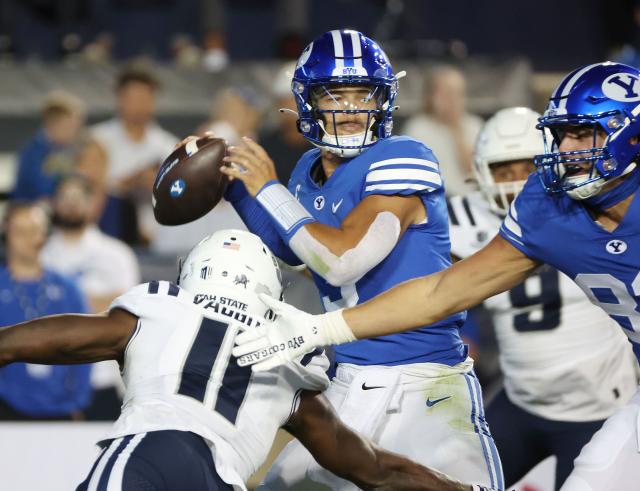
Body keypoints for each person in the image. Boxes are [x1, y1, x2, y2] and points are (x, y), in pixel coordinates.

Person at [233, 61, 640, 490]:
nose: (568, 150)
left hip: (565, 393)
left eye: (583, 134)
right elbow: (443, 291)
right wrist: (320, 328)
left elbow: (344, 257)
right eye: (562, 134)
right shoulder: (548, 204)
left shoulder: (402, 159)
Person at [211, 29, 501, 490]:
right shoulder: (308, 170)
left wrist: (269, 190)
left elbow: (341, 260)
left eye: (362, 95)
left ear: (383, 100)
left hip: (421, 380)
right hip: (347, 379)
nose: (349, 109)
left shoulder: (404, 156)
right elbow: (299, 251)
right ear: (308, 102)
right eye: (335, 96)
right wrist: (235, 190)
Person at [0, 229, 485, 491]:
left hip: (149, 452)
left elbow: (37, 343)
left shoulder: (159, 308)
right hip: (223, 479)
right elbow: (374, 468)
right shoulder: (291, 358)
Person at [448, 107, 638, 489]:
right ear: (482, 172)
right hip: (521, 398)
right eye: (504, 171)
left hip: (597, 405)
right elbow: (441, 290)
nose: (516, 182)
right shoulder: (468, 222)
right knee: (446, 477)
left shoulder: (578, 212)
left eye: (527, 168)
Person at [41, 173, 140, 420]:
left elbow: (127, 314)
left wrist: (64, 301)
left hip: (104, 376)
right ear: (53, 203)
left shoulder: (118, 254)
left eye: (79, 196)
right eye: (65, 197)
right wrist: (99, 301)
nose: (72, 203)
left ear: (93, 202)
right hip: (50, 377)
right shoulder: (40, 255)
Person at [0, 201, 91, 420]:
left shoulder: (68, 289)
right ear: (6, 232)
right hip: (6, 407)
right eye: (20, 231)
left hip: (61, 408)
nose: (28, 238)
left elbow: (87, 348)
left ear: (45, 234)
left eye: (35, 230)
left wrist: (77, 399)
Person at [91, 63, 178, 244]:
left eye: (144, 98)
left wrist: (158, 185)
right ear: (120, 99)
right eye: (133, 98)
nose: (139, 105)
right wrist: (131, 182)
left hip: (158, 236)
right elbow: (90, 189)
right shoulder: (98, 140)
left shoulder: (168, 145)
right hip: (109, 230)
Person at [403, 65, 483, 196]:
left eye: (458, 93)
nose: (452, 100)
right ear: (430, 96)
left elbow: (476, 173)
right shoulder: (417, 128)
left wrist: (456, 129)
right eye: (446, 93)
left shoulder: (475, 125)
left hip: (471, 202)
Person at [12, 90, 85, 201]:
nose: (74, 132)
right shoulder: (32, 152)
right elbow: (40, 188)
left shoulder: (72, 149)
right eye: (69, 127)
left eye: (76, 127)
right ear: (52, 124)